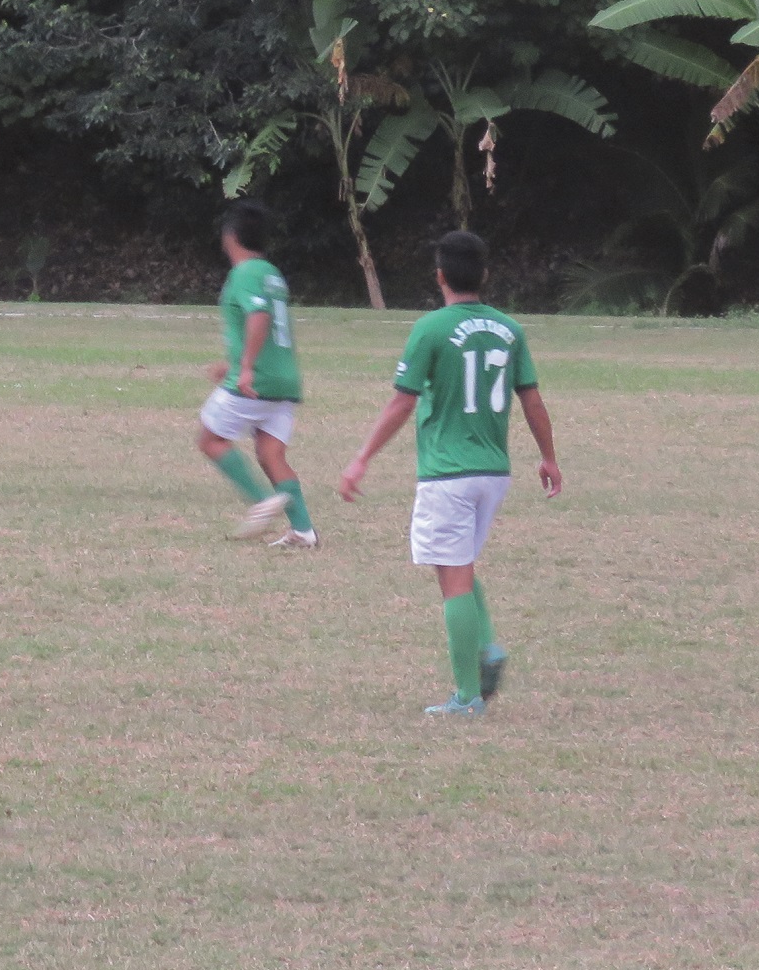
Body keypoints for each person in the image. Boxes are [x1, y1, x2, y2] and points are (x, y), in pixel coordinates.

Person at [337, 230, 562, 717]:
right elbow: (532, 398)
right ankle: (487, 645)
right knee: (459, 565)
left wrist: (362, 458)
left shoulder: (432, 328)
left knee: (452, 580)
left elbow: (403, 400)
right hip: (494, 471)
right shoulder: (509, 329)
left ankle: (468, 695)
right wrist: (548, 456)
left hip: (447, 472)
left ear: (439, 276)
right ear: (485, 275)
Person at [196, 201, 318, 546]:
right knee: (270, 453)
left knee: (209, 439)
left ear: (230, 236)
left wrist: (245, 368)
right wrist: (234, 363)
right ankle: (304, 531)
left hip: (257, 380)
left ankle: (261, 502)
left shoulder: (245, 273)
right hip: (285, 380)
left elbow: (259, 316)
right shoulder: (271, 273)